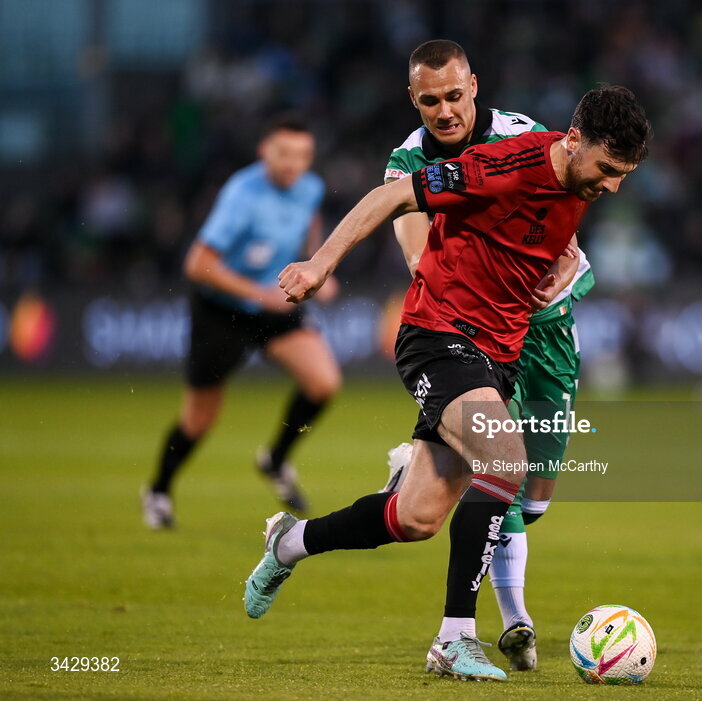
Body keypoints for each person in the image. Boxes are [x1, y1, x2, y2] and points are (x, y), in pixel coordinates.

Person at [245, 85, 650, 682]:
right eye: (608, 170)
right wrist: (320, 264)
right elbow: (392, 197)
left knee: (417, 519)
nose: (613, 186)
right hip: (439, 336)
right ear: (572, 141)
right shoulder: (504, 166)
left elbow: (533, 234)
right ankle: (454, 639)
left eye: (624, 175)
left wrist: (563, 258)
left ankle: (289, 543)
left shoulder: (576, 181)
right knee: (505, 457)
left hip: (496, 355)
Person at [378, 39, 596, 672]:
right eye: (429, 100)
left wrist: (556, 265)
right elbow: (420, 256)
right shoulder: (407, 160)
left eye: (453, 95)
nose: (444, 111)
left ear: (474, 85)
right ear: (413, 100)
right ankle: (514, 621)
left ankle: (415, 462)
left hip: (548, 331)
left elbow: (564, 223)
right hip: (475, 332)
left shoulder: (523, 135)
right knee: (502, 466)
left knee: (535, 497)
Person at [141, 115, 341, 529]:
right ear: (264, 152)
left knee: (323, 382)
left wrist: (318, 268)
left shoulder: (310, 189)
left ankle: (275, 460)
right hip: (221, 310)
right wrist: (258, 293)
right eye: (284, 154)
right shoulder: (241, 194)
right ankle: (158, 491)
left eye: (302, 155)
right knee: (200, 418)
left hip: (273, 306)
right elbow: (197, 264)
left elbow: (309, 228)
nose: (293, 164)